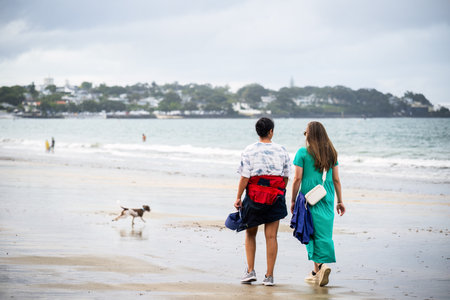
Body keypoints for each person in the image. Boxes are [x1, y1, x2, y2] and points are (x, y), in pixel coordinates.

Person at [234, 117, 290, 286]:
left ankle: (250, 271)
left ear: (257, 131)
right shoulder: (281, 150)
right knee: (271, 236)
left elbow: (245, 177)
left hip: (254, 196)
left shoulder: (249, 150)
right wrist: (280, 192)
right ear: (271, 131)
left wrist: (238, 197)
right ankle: (269, 276)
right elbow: (285, 176)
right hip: (275, 196)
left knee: (250, 233)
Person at [291, 121, 346, 287]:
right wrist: (340, 201)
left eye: (306, 132)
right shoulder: (332, 153)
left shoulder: (302, 152)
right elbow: (336, 179)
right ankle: (317, 272)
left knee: (309, 231)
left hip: (309, 197)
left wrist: (293, 199)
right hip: (327, 196)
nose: (305, 135)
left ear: (310, 134)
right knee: (323, 233)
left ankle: (322, 266)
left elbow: (297, 178)